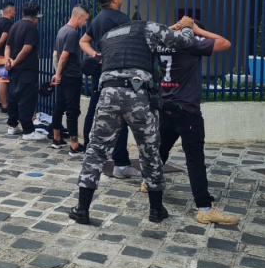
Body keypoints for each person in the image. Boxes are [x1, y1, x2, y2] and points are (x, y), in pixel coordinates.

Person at [69, 16, 196, 225]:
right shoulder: (149, 26)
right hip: (138, 95)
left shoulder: (109, 36)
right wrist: (187, 27)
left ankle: (82, 208)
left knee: (96, 151)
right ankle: (156, 210)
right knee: (149, 151)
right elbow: (184, 42)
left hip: (108, 93)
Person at [153, 20, 237, 225]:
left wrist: (172, 28)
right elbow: (225, 43)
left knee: (161, 148)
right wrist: (196, 29)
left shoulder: (160, 43)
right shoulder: (191, 43)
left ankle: (150, 182)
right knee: (195, 159)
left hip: (166, 104)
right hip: (187, 109)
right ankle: (205, 208)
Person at [78, 0, 141, 171]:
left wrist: (96, 56)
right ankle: (121, 162)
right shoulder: (120, 19)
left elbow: (83, 41)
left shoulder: (98, 19)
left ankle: (89, 150)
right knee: (121, 114)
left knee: (95, 108)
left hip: (102, 72)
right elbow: (130, 44)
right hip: (118, 73)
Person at [50, 5, 91, 150]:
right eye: (85, 20)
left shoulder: (62, 30)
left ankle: (57, 138)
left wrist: (57, 73)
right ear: (79, 17)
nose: (85, 23)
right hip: (71, 76)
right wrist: (59, 74)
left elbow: (55, 54)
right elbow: (64, 56)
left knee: (59, 106)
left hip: (63, 76)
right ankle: (74, 145)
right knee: (72, 110)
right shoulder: (72, 33)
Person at [5, 1, 46, 141]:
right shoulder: (31, 28)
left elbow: (8, 46)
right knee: (26, 99)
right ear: (35, 15)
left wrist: (8, 60)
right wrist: (15, 61)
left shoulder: (15, 25)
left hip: (14, 70)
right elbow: (27, 48)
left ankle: (12, 125)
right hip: (27, 69)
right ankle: (28, 130)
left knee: (13, 98)